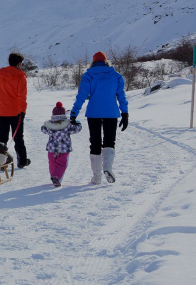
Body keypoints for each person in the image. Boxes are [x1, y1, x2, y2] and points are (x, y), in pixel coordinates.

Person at [70, 51, 130, 185]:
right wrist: (125, 113)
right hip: (111, 112)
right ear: (106, 61)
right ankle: (107, 168)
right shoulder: (116, 76)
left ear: (93, 62)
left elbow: (81, 96)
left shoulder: (88, 76)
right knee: (109, 141)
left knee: (95, 143)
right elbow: (121, 96)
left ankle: (96, 177)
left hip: (94, 113)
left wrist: (74, 113)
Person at [0, 52, 30, 168]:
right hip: (16, 112)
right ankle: (22, 161)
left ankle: (1, 161)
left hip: (1, 111)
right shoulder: (20, 76)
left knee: (2, 139)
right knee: (18, 138)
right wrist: (23, 111)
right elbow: (22, 96)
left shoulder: (0, 75)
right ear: (19, 63)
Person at [40, 102, 83, 187]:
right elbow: (77, 129)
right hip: (64, 149)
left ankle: (53, 175)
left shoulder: (49, 126)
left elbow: (43, 129)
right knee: (62, 164)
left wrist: (46, 125)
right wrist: (78, 123)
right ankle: (56, 177)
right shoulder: (67, 125)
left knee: (52, 163)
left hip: (52, 149)